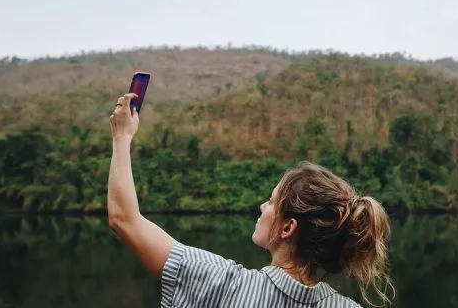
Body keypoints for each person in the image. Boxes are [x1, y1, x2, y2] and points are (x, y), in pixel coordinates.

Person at [108, 93, 395, 307]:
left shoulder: (220, 284)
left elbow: (124, 219)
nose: (262, 207)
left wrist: (122, 136)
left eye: (271, 202)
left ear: (287, 228)